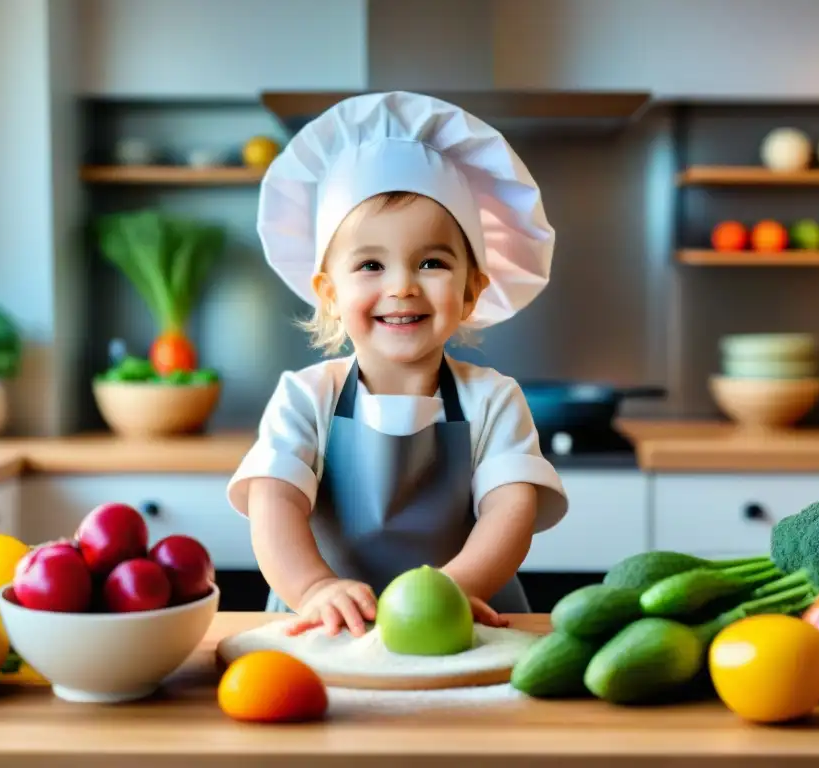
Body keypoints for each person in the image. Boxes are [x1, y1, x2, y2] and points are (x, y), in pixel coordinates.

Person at [226, 91, 568, 639]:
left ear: (472, 289)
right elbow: (275, 501)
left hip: (461, 619)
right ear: (329, 293)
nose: (402, 286)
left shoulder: (494, 399)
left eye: (432, 262)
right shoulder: (306, 394)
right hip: (327, 628)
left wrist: (455, 589)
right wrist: (314, 588)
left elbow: (511, 510)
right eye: (370, 264)